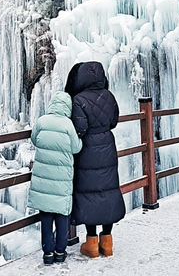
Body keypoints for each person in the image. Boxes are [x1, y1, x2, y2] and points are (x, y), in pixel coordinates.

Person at [65, 61, 126, 258]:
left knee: (89, 193)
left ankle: (91, 243)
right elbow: (114, 121)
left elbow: (80, 129)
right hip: (107, 146)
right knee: (108, 191)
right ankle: (107, 243)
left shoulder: (78, 100)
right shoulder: (109, 96)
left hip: (87, 150)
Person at [28, 91, 83, 265]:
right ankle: (60, 251)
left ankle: (48, 254)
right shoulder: (68, 125)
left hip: (43, 178)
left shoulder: (42, 121)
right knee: (62, 215)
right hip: (62, 179)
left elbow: (34, 140)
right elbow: (76, 148)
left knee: (45, 216)